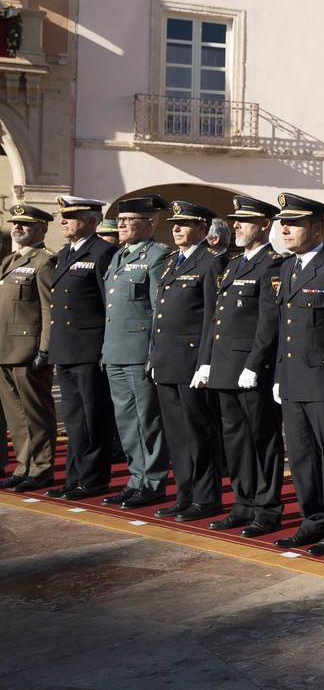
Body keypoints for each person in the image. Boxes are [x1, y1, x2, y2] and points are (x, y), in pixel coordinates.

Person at [262, 193, 324, 556]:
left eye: (294, 223)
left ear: (317, 228)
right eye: (282, 223)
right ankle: (312, 519)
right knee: (302, 456)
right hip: (292, 380)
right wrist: (278, 375)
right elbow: (285, 327)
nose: (285, 229)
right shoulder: (288, 268)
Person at [195, 195, 286, 538]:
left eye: (244, 221)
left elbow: (268, 322)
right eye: (235, 220)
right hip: (224, 366)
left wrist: (254, 364)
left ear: (264, 225)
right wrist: (206, 362)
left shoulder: (273, 264)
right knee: (235, 439)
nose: (236, 225)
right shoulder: (233, 265)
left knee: (262, 438)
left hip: (251, 370)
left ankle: (267, 507)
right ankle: (243, 502)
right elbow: (216, 319)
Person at [149, 201, 227, 522]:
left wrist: (205, 362)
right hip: (167, 360)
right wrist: (153, 355)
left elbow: (212, 317)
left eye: (185, 224)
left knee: (199, 432)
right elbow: (160, 315)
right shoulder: (170, 262)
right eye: (174, 224)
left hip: (192, 361)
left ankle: (206, 497)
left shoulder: (212, 261)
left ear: (202, 228)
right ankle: (185, 494)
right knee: (177, 435)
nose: (176, 228)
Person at [101, 195, 174, 510]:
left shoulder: (157, 256)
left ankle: (153, 482)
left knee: (148, 420)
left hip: (139, 351)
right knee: (126, 421)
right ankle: (136, 479)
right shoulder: (118, 257)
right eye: (120, 219)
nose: (121, 224)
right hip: (115, 350)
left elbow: (159, 311)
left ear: (151, 222)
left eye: (129, 219)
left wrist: (154, 355)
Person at [42, 196, 118, 500]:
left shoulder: (102, 252)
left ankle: (93, 478)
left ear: (91, 222)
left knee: (93, 417)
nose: (63, 222)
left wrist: (104, 349)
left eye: (70, 217)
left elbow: (108, 306)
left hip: (89, 348)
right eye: (63, 217)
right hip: (66, 347)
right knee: (74, 420)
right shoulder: (65, 253)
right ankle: (74, 478)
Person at [0, 204, 58, 492]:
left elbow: (49, 310)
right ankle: (24, 465)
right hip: (4, 349)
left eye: (26, 224)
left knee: (36, 413)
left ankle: (42, 467)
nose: (18, 228)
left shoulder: (45, 261)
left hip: (27, 350)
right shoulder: (10, 260)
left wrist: (45, 350)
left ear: (42, 229)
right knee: (16, 417)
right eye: (16, 223)